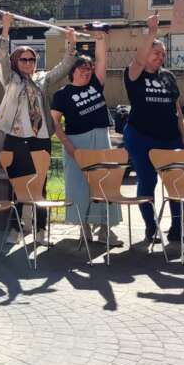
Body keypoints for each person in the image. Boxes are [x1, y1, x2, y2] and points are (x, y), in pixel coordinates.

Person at [0, 15, 78, 242]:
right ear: (15, 61)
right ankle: (16, 228)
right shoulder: (10, 78)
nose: (29, 63)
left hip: (40, 138)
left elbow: (64, 68)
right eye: (24, 59)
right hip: (16, 137)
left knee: (40, 184)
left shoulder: (42, 79)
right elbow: (1, 57)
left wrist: (71, 43)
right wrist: (5, 27)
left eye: (32, 59)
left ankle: (40, 229)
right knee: (16, 185)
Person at [123, 13, 184, 244]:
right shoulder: (134, 74)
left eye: (163, 54)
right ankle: (151, 227)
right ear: (145, 53)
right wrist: (152, 33)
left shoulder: (168, 76)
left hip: (170, 138)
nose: (161, 56)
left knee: (179, 183)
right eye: (156, 52)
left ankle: (178, 228)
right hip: (141, 136)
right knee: (148, 181)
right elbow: (138, 61)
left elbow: (177, 108)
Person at [50, 29, 122, 244]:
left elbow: (102, 59)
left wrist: (100, 39)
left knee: (103, 183)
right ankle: (84, 228)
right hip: (76, 142)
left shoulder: (95, 84)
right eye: (82, 68)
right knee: (79, 186)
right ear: (72, 71)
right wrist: (68, 146)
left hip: (101, 138)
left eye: (89, 68)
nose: (87, 71)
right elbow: (55, 123)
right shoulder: (62, 95)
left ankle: (105, 230)